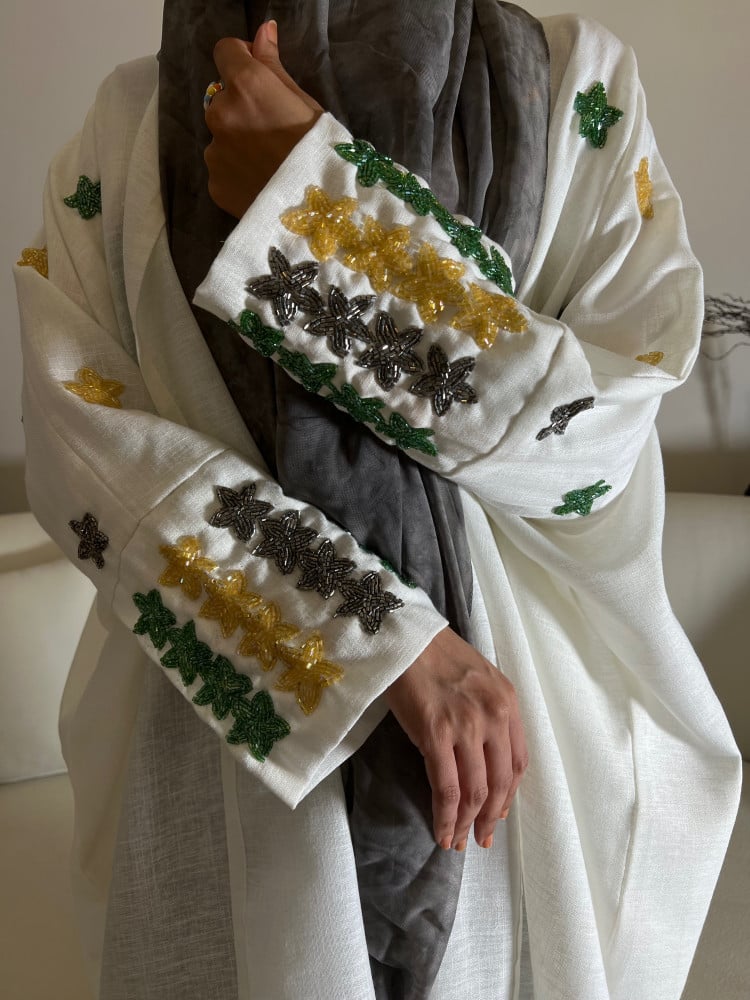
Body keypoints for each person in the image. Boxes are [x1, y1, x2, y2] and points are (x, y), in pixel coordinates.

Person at [14, 2, 741, 998]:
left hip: (514, 768)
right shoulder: (134, 121)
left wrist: (313, 214)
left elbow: (596, 437)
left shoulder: (573, 87)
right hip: (226, 767)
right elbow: (82, 444)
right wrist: (377, 638)